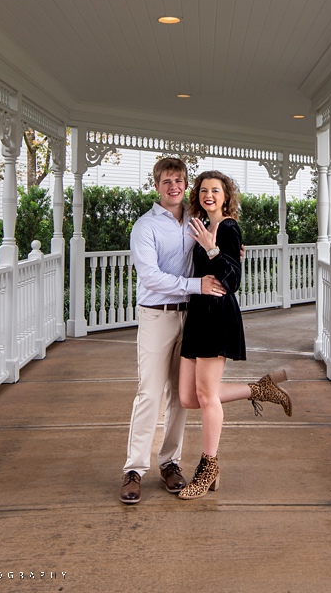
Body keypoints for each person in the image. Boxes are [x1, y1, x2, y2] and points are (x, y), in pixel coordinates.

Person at [176, 170, 293, 500]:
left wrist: (214, 249)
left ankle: (208, 467)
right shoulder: (202, 227)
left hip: (217, 316)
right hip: (198, 315)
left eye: (215, 190)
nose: (208, 195)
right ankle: (258, 388)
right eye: (203, 190)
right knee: (188, 397)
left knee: (206, 394)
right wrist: (207, 246)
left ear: (227, 196)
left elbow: (233, 280)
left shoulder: (227, 227)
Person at [119, 157, 228, 506]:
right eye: (167, 181)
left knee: (180, 397)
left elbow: (217, 252)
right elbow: (150, 277)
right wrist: (196, 285)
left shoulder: (195, 223)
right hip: (157, 316)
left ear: (186, 185)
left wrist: (230, 252)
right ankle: (135, 469)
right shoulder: (145, 226)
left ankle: (170, 463)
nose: (174, 186)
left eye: (179, 180)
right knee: (149, 393)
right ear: (157, 186)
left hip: (191, 317)